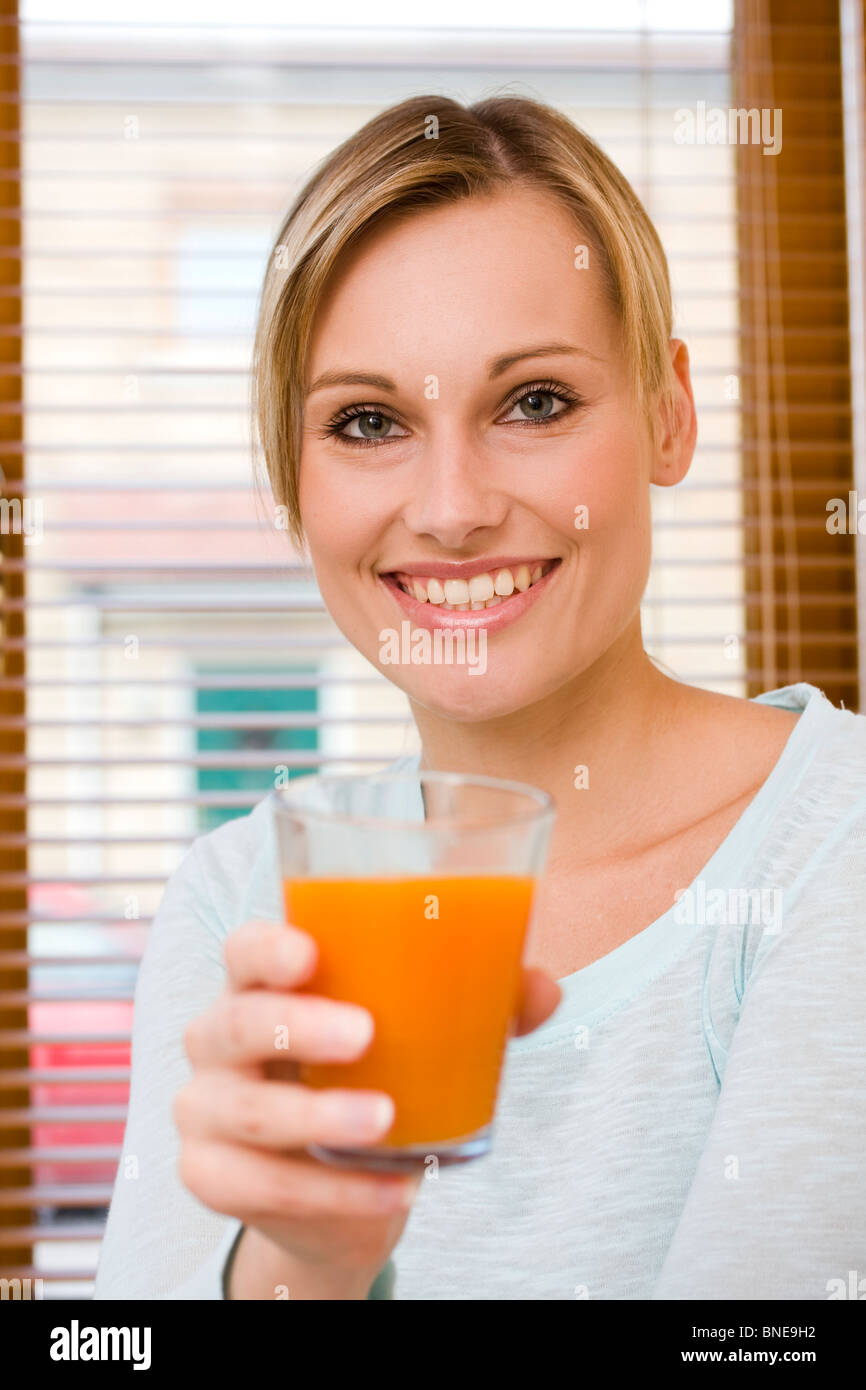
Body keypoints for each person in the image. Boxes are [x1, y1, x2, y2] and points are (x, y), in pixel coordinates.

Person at [93, 93, 866, 1301]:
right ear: (294, 482)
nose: (450, 507)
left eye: (534, 403)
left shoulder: (836, 845)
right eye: (367, 420)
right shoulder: (234, 906)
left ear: (668, 412)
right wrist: (302, 1266)